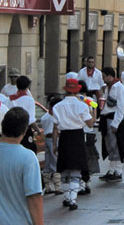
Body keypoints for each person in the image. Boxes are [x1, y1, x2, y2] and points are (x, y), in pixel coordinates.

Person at [52, 78, 96, 211]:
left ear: (66, 90)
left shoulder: (57, 106)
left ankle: (67, 197)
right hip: (77, 137)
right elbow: (90, 124)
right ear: (76, 90)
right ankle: (73, 199)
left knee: (65, 169)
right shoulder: (82, 105)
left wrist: (55, 144)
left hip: (64, 137)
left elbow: (55, 128)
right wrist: (93, 110)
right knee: (76, 169)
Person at [99, 67, 124, 182]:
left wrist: (116, 123)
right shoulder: (108, 88)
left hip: (114, 119)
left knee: (116, 145)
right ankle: (112, 170)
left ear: (109, 76)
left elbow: (121, 107)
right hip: (106, 118)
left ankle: (118, 171)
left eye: (104, 76)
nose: (103, 78)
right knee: (110, 146)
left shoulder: (119, 88)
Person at [76, 80, 100, 196]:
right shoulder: (91, 101)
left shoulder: (77, 100)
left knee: (80, 158)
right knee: (90, 157)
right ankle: (87, 183)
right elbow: (94, 119)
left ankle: (81, 184)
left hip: (80, 131)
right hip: (89, 132)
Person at [10, 76, 39, 153]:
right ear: (28, 86)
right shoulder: (29, 100)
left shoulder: (9, 99)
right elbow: (31, 120)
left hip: (11, 131)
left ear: (17, 85)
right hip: (24, 131)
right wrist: (38, 130)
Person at [41, 96, 62, 195]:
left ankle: (48, 187)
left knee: (47, 163)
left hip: (46, 138)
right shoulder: (54, 117)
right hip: (54, 139)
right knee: (55, 163)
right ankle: (57, 187)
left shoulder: (44, 117)